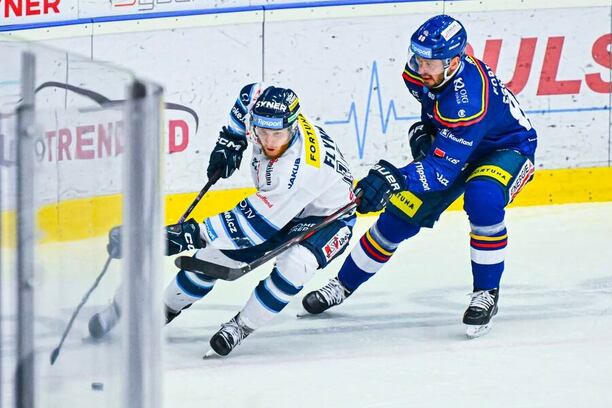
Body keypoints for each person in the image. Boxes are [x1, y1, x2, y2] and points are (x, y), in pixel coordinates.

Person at [301, 14, 537, 338]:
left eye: (431, 62)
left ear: (454, 62)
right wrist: (425, 131)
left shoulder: (467, 102)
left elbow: (440, 173)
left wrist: (392, 177)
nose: (421, 67)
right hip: (457, 143)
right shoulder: (420, 74)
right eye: (419, 57)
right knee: (398, 217)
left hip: (506, 149)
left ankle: (486, 293)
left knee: (483, 198)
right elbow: (437, 121)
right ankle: (342, 285)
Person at [88, 83, 356, 356]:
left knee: (296, 265)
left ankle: (241, 327)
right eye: (262, 132)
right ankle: (163, 311)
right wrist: (232, 138)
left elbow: (252, 226)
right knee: (212, 258)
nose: (270, 142)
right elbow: (248, 95)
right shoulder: (263, 108)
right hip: (282, 206)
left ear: (293, 126)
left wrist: (186, 235)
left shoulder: (294, 172)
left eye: (278, 134)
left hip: (329, 217)